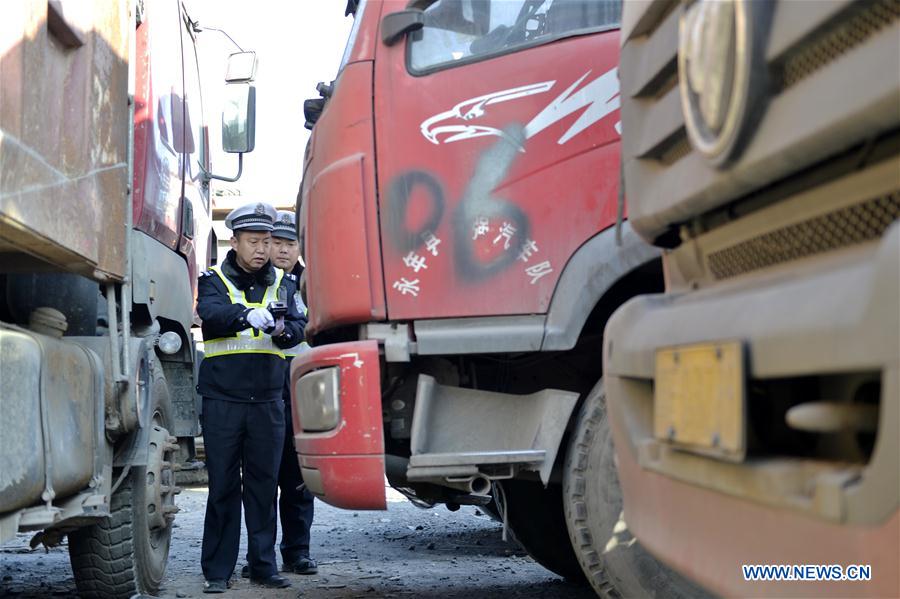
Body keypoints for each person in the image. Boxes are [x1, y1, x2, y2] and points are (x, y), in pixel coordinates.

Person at [197, 202, 306, 593]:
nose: (262, 249)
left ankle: (263, 565)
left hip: (267, 402)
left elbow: (299, 323)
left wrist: (283, 331)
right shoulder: (213, 279)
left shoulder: (285, 282)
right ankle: (216, 571)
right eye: (253, 241)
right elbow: (209, 312)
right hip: (223, 400)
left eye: (266, 241)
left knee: (264, 487)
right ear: (235, 241)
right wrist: (245, 315)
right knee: (223, 486)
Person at [240, 210, 317, 577]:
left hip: (302, 386)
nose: (283, 250)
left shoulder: (312, 282)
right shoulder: (254, 281)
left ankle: (297, 552)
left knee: (299, 476)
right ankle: (262, 557)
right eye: (278, 243)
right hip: (261, 388)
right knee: (262, 477)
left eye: (291, 243)